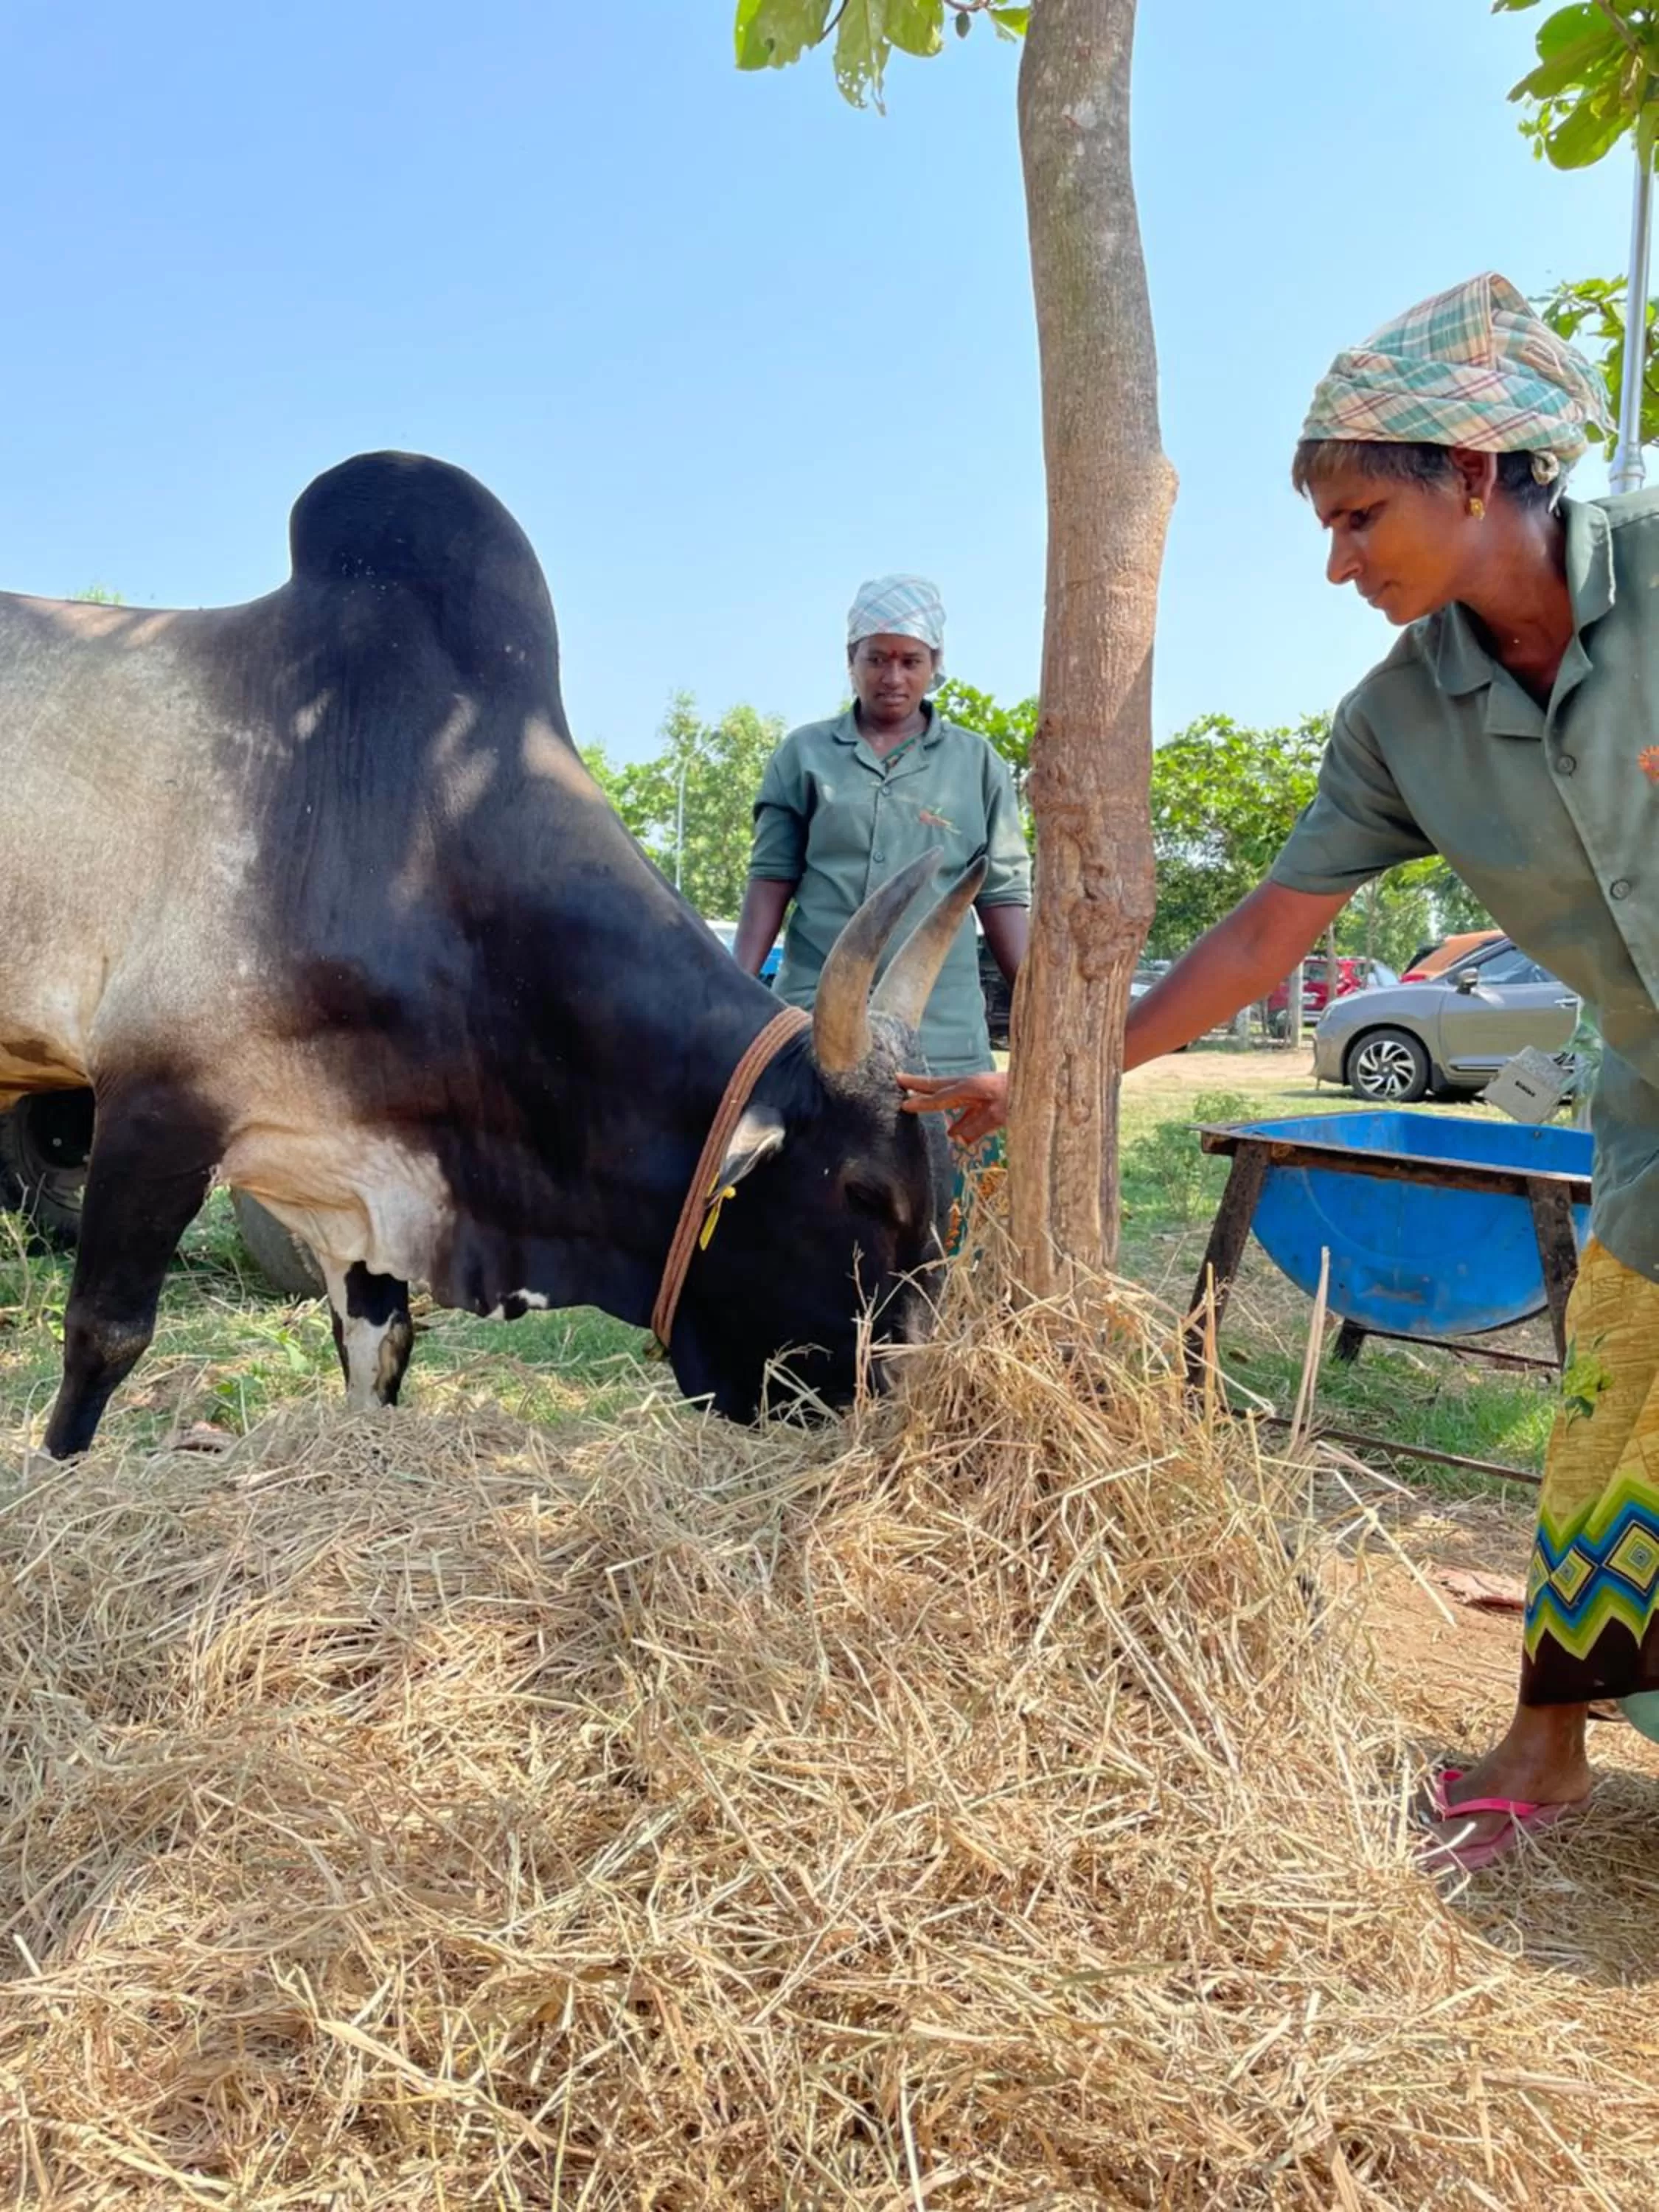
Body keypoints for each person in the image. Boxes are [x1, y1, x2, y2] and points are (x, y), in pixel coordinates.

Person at [902, 271, 1659, 1871]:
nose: (1337, 563)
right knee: (1612, 1396)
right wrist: (1068, 1080)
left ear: (1473, 474)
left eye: (1360, 516)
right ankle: (1548, 1743)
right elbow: (1265, 937)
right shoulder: (1399, 722)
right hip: (1650, 1093)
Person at [731, 574, 1030, 1083]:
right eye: (877, 658)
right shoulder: (804, 755)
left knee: (949, 1163)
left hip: (941, 1041)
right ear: (852, 661)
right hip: (813, 1030)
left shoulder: (976, 763)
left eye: (910, 661)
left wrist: (1041, 1015)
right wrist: (733, 996)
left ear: (935, 665)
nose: (893, 676)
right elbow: (770, 881)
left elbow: (1002, 896)